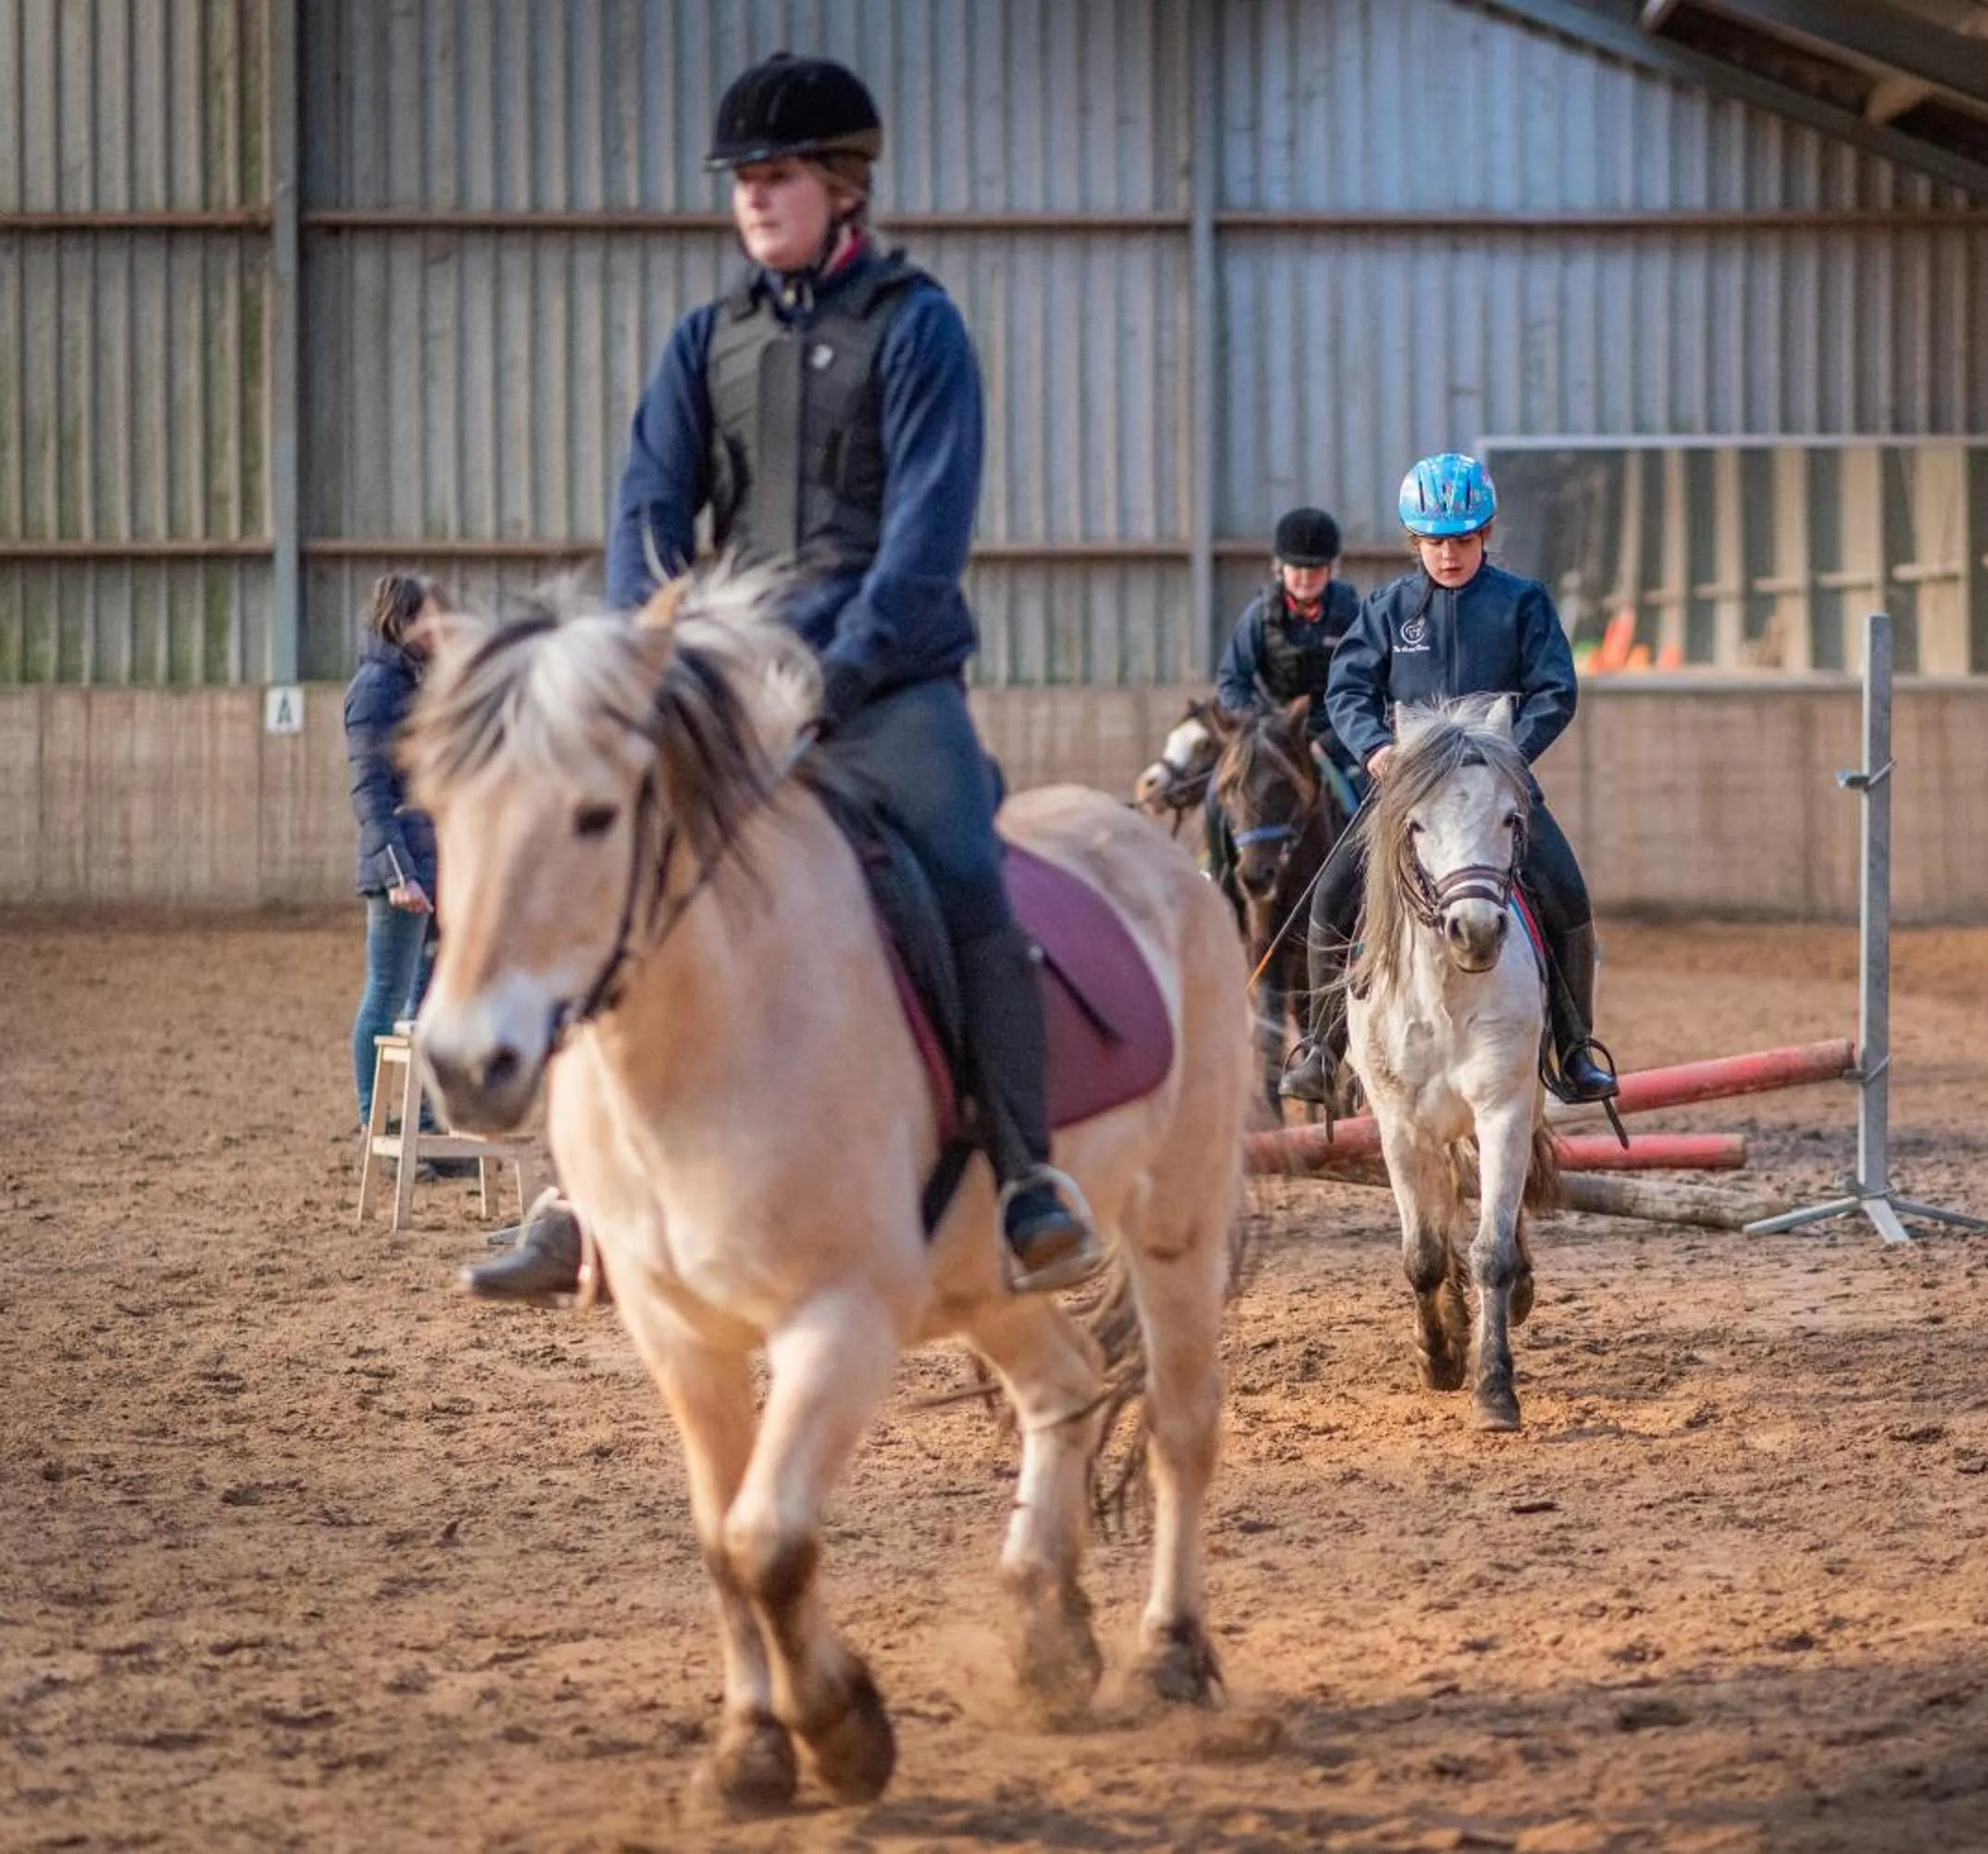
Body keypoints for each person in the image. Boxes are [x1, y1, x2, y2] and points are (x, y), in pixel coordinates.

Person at [468, 51, 1090, 1301]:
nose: (754, 195)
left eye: (779, 174)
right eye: (742, 179)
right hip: (726, 679)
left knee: (968, 871)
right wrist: (639, 656)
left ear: (844, 185)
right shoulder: (707, 342)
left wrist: (841, 671)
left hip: (890, 682)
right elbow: (649, 506)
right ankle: (577, 1188)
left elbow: (926, 537)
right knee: (621, 868)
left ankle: (1025, 1173)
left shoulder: (920, 327)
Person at [1274, 453, 1620, 1110]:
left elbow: (1555, 689)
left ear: (1484, 534)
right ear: (1416, 542)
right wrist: (1374, 748)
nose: (1449, 555)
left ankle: (1575, 1050)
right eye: (1435, 542)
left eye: (1462, 540)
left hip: (1498, 793)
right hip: (1409, 797)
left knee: (1568, 895)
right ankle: (1322, 1051)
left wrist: (1510, 754)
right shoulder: (1386, 610)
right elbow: (1348, 688)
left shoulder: (1524, 603)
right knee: (1329, 898)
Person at [344, 573, 452, 1141]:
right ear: (404, 621)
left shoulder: (417, 686)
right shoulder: (375, 690)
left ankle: (424, 1127)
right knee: (388, 993)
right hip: (401, 872)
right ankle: (374, 1123)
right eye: (431, 618)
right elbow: (371, 794)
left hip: (432, 867)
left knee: (429, 1001)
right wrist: (398, 874)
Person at [1204, 507, 1360, 889]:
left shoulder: (1353, 613)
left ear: (1331, 569)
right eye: (1297, 569)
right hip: (1272, 736)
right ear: (1280, 568)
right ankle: (1219, 876)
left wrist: (1334, 736)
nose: (1305, 578)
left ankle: (1370, 885)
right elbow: (1231, 679)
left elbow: (1368, 680)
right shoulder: (1259, 616)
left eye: (1315, 570)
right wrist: (1258, 728)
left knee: (1371, 795)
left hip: (1332, 733)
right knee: (1216, 795)